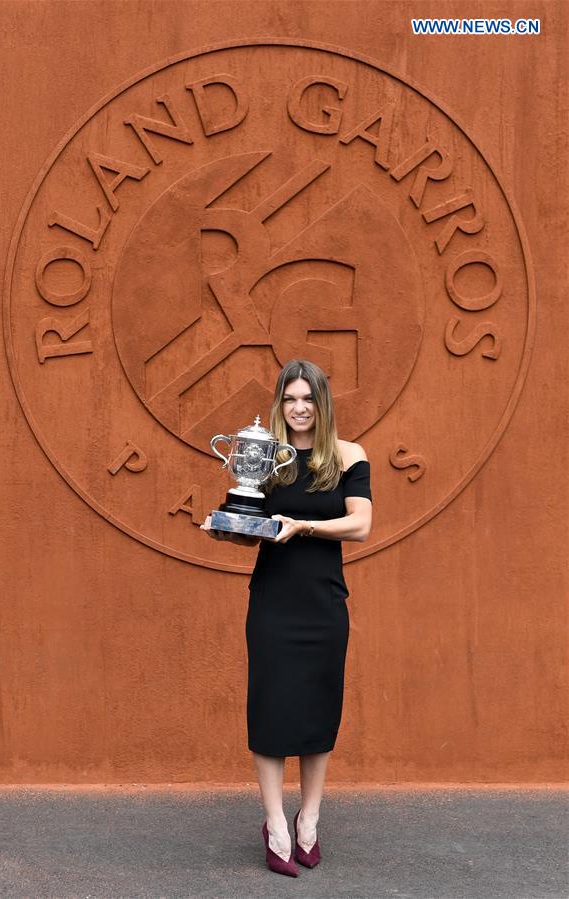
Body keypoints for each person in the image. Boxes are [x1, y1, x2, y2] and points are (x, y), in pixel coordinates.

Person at [201, 358, 372, 876]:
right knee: (271, 711)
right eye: (290, 399)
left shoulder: (347, 456)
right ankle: (275, 823)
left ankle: (309, 820)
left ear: (323, 403)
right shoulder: (265, 459)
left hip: (323, 603)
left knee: (319, 712)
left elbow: (361, 524)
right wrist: (224, 529)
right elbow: (252, 523)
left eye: (308, 399)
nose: (299, 409)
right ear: (279, 404)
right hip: (273, 602)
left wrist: (303, 526)